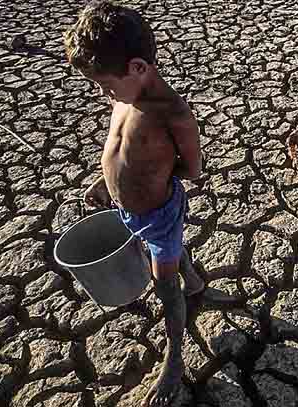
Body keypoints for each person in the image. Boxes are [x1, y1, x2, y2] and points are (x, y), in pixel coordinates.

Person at [64, 1, 204, 405]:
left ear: (139, 68)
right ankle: (196, 283)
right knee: (174, 258)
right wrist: (105, 181)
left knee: (165, 285)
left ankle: (175, 357)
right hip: (129, 211)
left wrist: (151, 180)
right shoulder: (124, 95)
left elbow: (192, 169)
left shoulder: (174, 114)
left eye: (106, 85)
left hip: (159, 214)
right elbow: (119, 147)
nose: (102, 93)